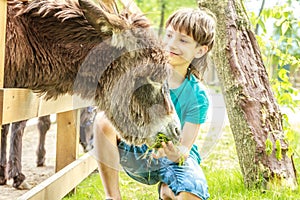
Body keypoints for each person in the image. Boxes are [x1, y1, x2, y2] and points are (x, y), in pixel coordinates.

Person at [91, 6, 217, 200]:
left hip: (173, 160)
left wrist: (175, 154)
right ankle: (112, 197)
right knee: (103, 120)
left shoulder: (197, 96)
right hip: (136, 149)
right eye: (169, 35)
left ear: (200, 50)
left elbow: (185, 148)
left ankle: (167, 189)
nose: (171, 44)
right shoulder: (144, 72)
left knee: (189, 195)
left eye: (183, 40)